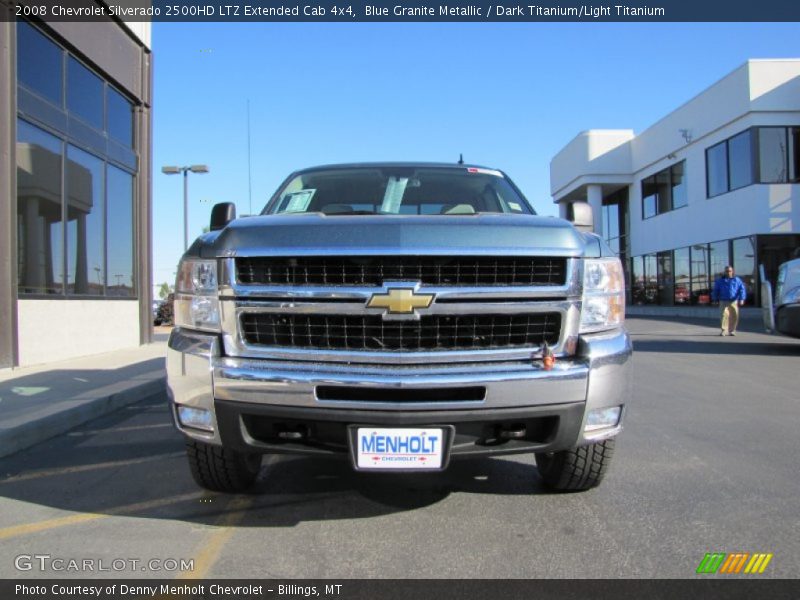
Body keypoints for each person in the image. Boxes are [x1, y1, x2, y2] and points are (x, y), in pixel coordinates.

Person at [711, 266, 746, 336]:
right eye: (727, 271)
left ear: (732, 271)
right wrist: (714, 299)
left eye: (730, 271)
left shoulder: (737, 280)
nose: (728, 272)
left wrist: (742, 299)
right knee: (724, 316)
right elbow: (715, 290)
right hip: (723, 300)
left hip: (733, 301)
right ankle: (724, 330)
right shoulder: (720, 281)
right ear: (724, 272)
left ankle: (732, 330)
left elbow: (742, 289)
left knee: (734, 315)